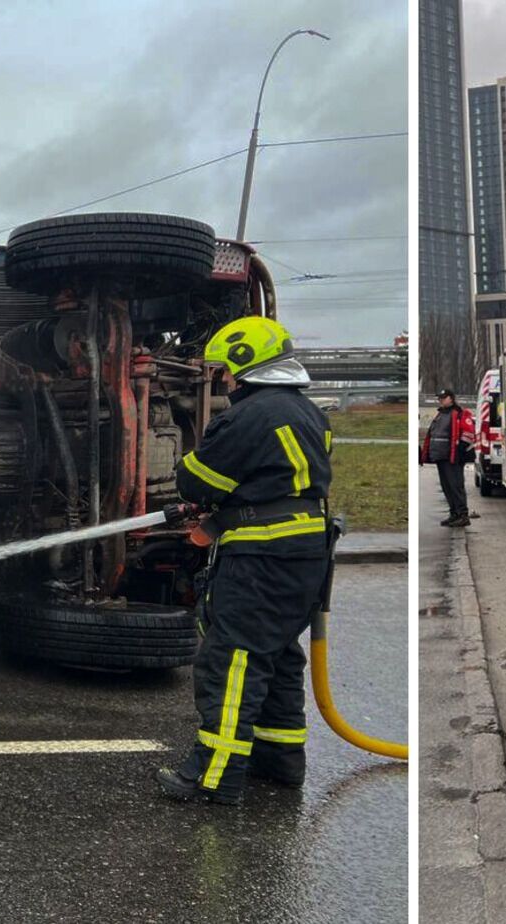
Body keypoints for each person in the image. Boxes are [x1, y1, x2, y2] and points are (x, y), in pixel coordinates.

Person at [156, 315, 333, 806]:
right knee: (275, 655)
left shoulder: (247, 416)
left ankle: (213, 776)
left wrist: (192, 471)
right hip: (305, 553)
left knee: (231, 659)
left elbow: (197, 480)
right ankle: (280, 760)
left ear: (244, 364)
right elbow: (277, 479)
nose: (226, 382)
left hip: (262, 555)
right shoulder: (308, 413)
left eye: (227, 372)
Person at [420, 389, 476, 527]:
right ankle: (454, 514)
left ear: (451, 398)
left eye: (443, 398)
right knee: (447, 487)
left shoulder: (460, 414)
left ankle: (462, 515)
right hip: (441, 457)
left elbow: (469, 433)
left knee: (455, 486)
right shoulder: (440, 414)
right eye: (440, 398)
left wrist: (459, 450)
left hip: (453, 457)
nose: (441, 400)